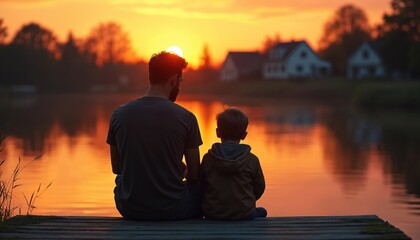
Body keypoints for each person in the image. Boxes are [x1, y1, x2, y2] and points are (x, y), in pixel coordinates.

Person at [106, 51, 203, 220]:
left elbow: (117, 168)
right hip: (175, 210)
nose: (179, 87)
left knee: (122, 180)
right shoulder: (187, 118)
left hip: (129, 208)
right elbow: (194, 175)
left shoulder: (118, 114)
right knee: (200, 187)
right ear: (173, 80)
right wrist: (179, 168)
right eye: (180, 82)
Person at [200, 108, 267, 220]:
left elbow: (201, 185)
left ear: (218, 132)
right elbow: (259, 187)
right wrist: (245, 200)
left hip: (213, 213)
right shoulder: (252, 160)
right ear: (244, 135)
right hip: (244, 214)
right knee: (262, 211)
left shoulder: (208, 159)